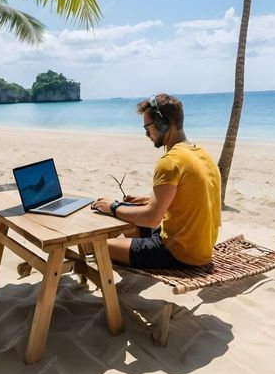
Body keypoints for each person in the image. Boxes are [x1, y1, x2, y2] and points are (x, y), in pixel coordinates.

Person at [91, 93, 221, 269]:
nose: (146, 134)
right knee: (128, 212)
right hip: (201, 249)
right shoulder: (201, 153)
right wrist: (147, 200)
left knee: (94, 245)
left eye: (147, 127)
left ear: (163, 123)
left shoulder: (170, 162)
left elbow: (151, 219)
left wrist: (113, 208)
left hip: (179, 253)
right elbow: (189, 199)